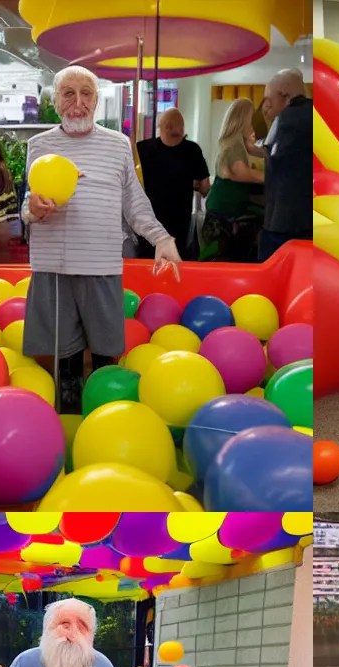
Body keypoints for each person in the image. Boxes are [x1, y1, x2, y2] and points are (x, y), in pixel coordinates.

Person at [21, 65, 182, 415]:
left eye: (86, 94)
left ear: (96, 100)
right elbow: (25, 207)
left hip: (101, 265)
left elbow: (134, 203)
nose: (78, 103)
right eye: (68, 93)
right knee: (65, 363)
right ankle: (71, 425)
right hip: (54, 268)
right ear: (55, 100)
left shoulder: (118, 144)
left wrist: (161, 238)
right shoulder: (39, 145)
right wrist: (33, 208)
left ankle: (108, 419)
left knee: (107, 355)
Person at [136, 108, 210, 260]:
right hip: (179, 223)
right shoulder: (192, 150)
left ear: (161, 127)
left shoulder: (142, 149)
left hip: (147, 222)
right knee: (175, 265)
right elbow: (205, 187)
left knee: (148, 265)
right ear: (182, 128)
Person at [199, 97, 265, 262]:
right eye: (251, 118)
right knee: (220, 259)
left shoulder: (237, 143)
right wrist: (270, 177)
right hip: (221, 218)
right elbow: (241, 173)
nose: (252, 123)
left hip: (223, 213)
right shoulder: (233, 145)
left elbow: (256, 151)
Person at [258, 68, 312, 261]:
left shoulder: (285, 119)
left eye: (268, 100)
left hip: (283, 222)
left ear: (284, 96)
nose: (265, 107)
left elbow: (273, 156)